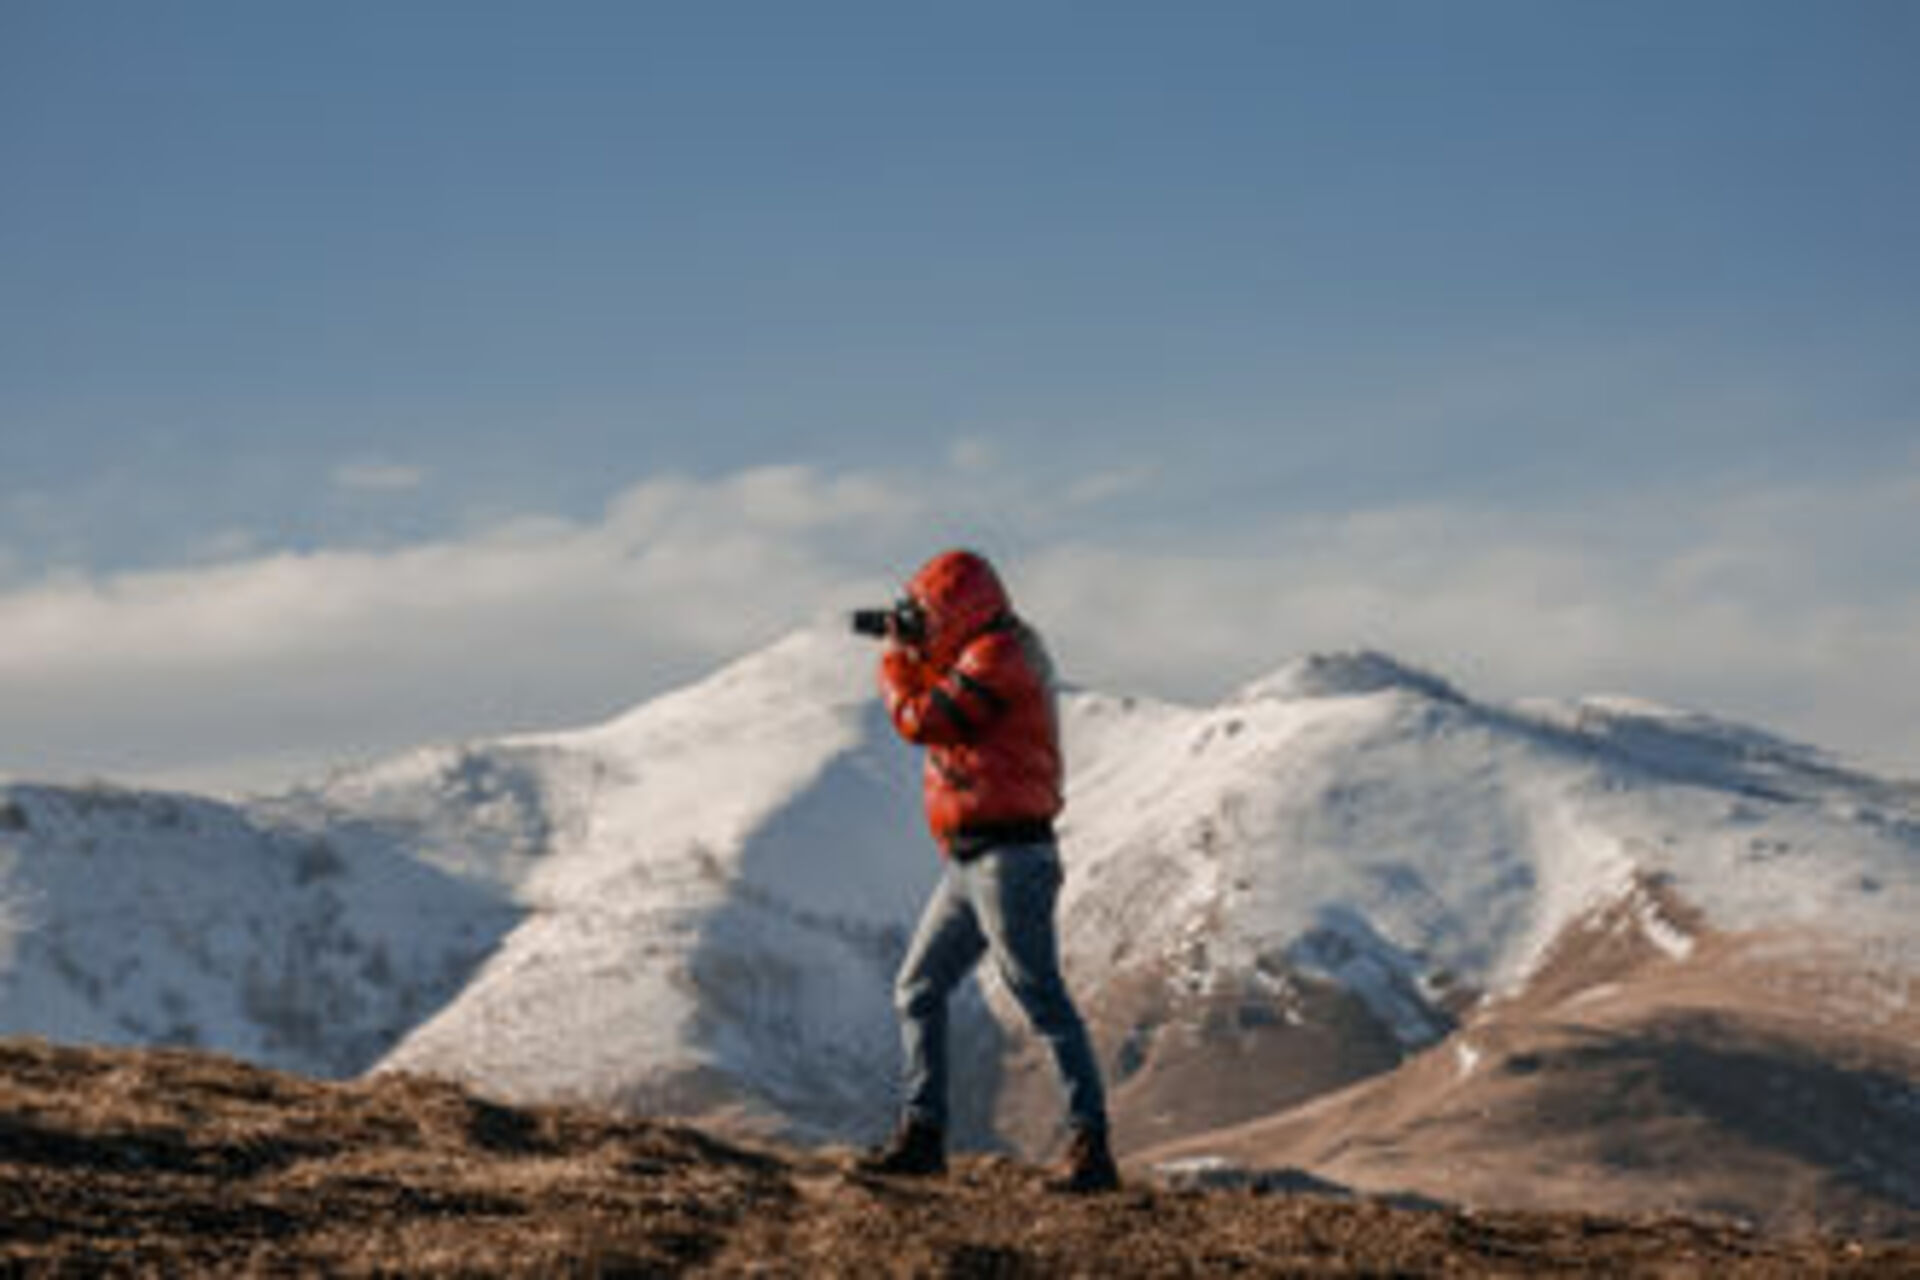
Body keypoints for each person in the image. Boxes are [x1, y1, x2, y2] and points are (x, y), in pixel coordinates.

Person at [856, 549, 1119, 1193]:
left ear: (956, 610)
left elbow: (925, 720)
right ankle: (923, 1135)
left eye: (925, 615)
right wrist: (916, 649)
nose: (917, 626)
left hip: (1010, 858)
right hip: (971, 857)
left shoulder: (998, 658)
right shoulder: (983, 651)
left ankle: (1091, 1147)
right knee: (918, 988)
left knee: (1039, 996)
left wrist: (895, 660)